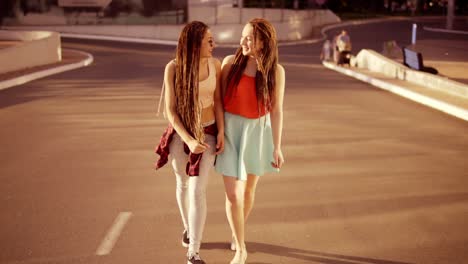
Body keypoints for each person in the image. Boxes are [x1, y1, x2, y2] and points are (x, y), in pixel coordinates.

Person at [215, 18, 285, 264]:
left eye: (250, 38)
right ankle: (240, 249)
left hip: (258, 132)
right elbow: (219, 102)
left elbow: (276, 111)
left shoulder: (276, 72)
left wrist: (277, 146)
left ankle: (237, 232)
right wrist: (221, 131)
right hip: (231, 132)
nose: (243, 41)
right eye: (243, 36)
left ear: (263, 42)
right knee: (233, 195)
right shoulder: (229, 63)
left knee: (248, 191)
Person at [154, 21, 224, 264]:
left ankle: (193, 251)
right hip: (182, 134)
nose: (214, 44)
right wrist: (188, 140)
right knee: (182, 184)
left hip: (208, 134)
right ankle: (188, 228)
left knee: (197, 190)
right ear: (195, 43)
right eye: (208, 41)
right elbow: (170, 111)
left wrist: (222, 132)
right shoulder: (173, 68)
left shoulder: (215, 65)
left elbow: (218, 102)